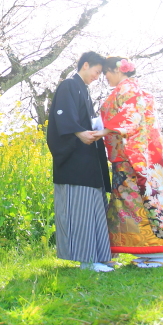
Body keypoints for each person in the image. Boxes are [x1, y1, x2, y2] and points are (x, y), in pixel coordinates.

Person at [96, 56, 163, 268]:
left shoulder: (128, 91)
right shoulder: (137, 91)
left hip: (131, 156)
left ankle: (157, 253)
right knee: (151, 200)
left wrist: (103, 131)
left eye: (106, 72)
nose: (105, 77)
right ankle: (149, 253)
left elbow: (129, 118)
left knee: (137, 202)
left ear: (117, 71)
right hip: (143, 154)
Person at [46, 51, 114, 272]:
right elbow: (62, 117)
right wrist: (78, 133)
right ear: (85, 65)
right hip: (74, 160)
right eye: (96, 71)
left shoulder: (82, 89)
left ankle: (101, 256)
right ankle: (87, 260)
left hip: (87, 157)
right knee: (81, 209)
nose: (97, 76)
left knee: (95, 205)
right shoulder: (68, 85)